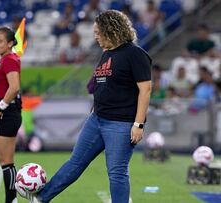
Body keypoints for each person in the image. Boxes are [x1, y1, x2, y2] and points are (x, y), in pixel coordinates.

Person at [21, 10, 152, 203]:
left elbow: (146, 90)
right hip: (97, 119)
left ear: (111, 30)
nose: (96, 37)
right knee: (75, 162)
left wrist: (138, 124)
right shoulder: (107, 54)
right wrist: (95, 107)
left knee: (117, 172)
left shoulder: (135, 54)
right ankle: (41, 198)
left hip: (120, 124)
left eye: (98, 33)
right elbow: (102, 85)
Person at [0, 27, 22, 203]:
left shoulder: (9, 60)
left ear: (10, 43)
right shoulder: (5, 59)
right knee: (5, 161)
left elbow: (14, 87)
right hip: (7, 112)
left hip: (6, 113)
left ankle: (11, 200)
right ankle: (12, 199)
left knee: (6, 161)